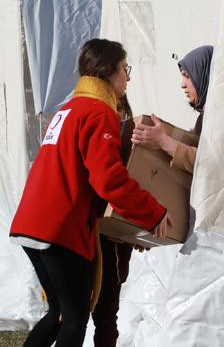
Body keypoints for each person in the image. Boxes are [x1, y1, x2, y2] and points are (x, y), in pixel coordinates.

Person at [10, 39, 171, 347]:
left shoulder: (69, 109)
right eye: (125, 69)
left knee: (58, 313)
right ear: (109, 71)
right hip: (59, 228)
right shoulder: (99, 113)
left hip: (31, 224)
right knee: (74, 317)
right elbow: (108, 180)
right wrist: (154, 212)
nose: (128, 78)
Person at [91, 94, 136, 347]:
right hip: (90, 239)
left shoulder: (129, 143)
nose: (117, 113)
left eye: (121, 108)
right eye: (113, 107)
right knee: (70, 317)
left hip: (116, 243)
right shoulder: (97, 139)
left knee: (107, 317)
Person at [131, 45, 214, 173]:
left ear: (204, 74)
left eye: (187, 76)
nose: (182, 84)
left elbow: (213, 165)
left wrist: (163, 140)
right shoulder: (204, 119)